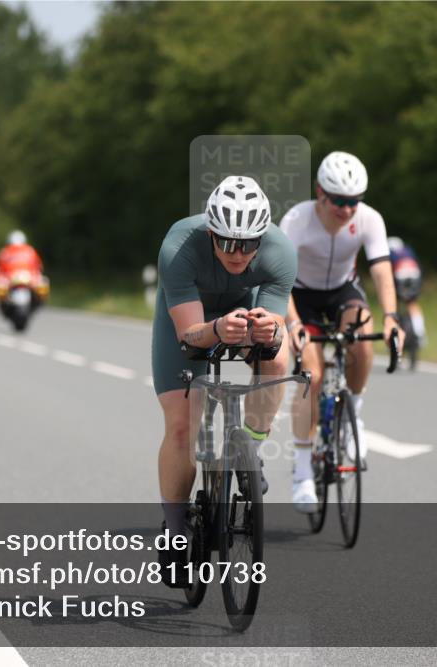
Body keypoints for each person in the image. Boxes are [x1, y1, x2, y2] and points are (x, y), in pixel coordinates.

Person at [152, 175, 297, 587]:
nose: (238, 253)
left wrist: (269, 330)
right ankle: (176, 531)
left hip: (241, 309)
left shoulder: (281, 251)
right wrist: (216, 329)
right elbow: (188, 337)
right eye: (228, 243)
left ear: (261, 238)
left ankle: (250, 448)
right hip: (189, 319)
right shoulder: (179, 247)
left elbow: (274, 325)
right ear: (211, 233)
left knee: (277, 357)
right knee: (182, 425)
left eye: (249, 244)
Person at [281, 151, 404, 513]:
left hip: (342, 291)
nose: (347, 209)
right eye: (339, 201)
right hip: (300, 295)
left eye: (354, 201)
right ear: (320, 192)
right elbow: (279, 278)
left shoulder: (369, 219)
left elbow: (380, 270)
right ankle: (303, 471)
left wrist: (392, 317)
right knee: (312, 375)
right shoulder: (297, 219)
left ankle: (354, 418)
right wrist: (294, 324)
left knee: (363, 340)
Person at [387, 237, 427, 346]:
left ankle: (395, 333)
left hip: (399, 275)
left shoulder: (390, 253)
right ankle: (420, 333)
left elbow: (388, 270)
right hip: (415, 274)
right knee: (412, 304)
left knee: (394, 303)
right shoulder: (408, 250)